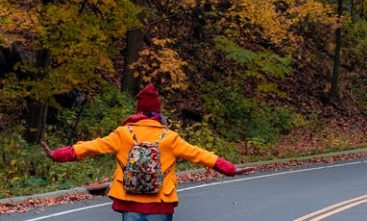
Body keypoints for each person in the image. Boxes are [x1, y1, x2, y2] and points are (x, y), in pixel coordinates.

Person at [41, 84, 254, 220]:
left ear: (138, 112)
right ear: (157, 114)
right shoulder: (170, 138)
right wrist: (231, 169)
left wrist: (57, 155)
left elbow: (90, 147)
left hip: (129, 200)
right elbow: (201, 155)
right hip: (160, 203)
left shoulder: (123, 134)